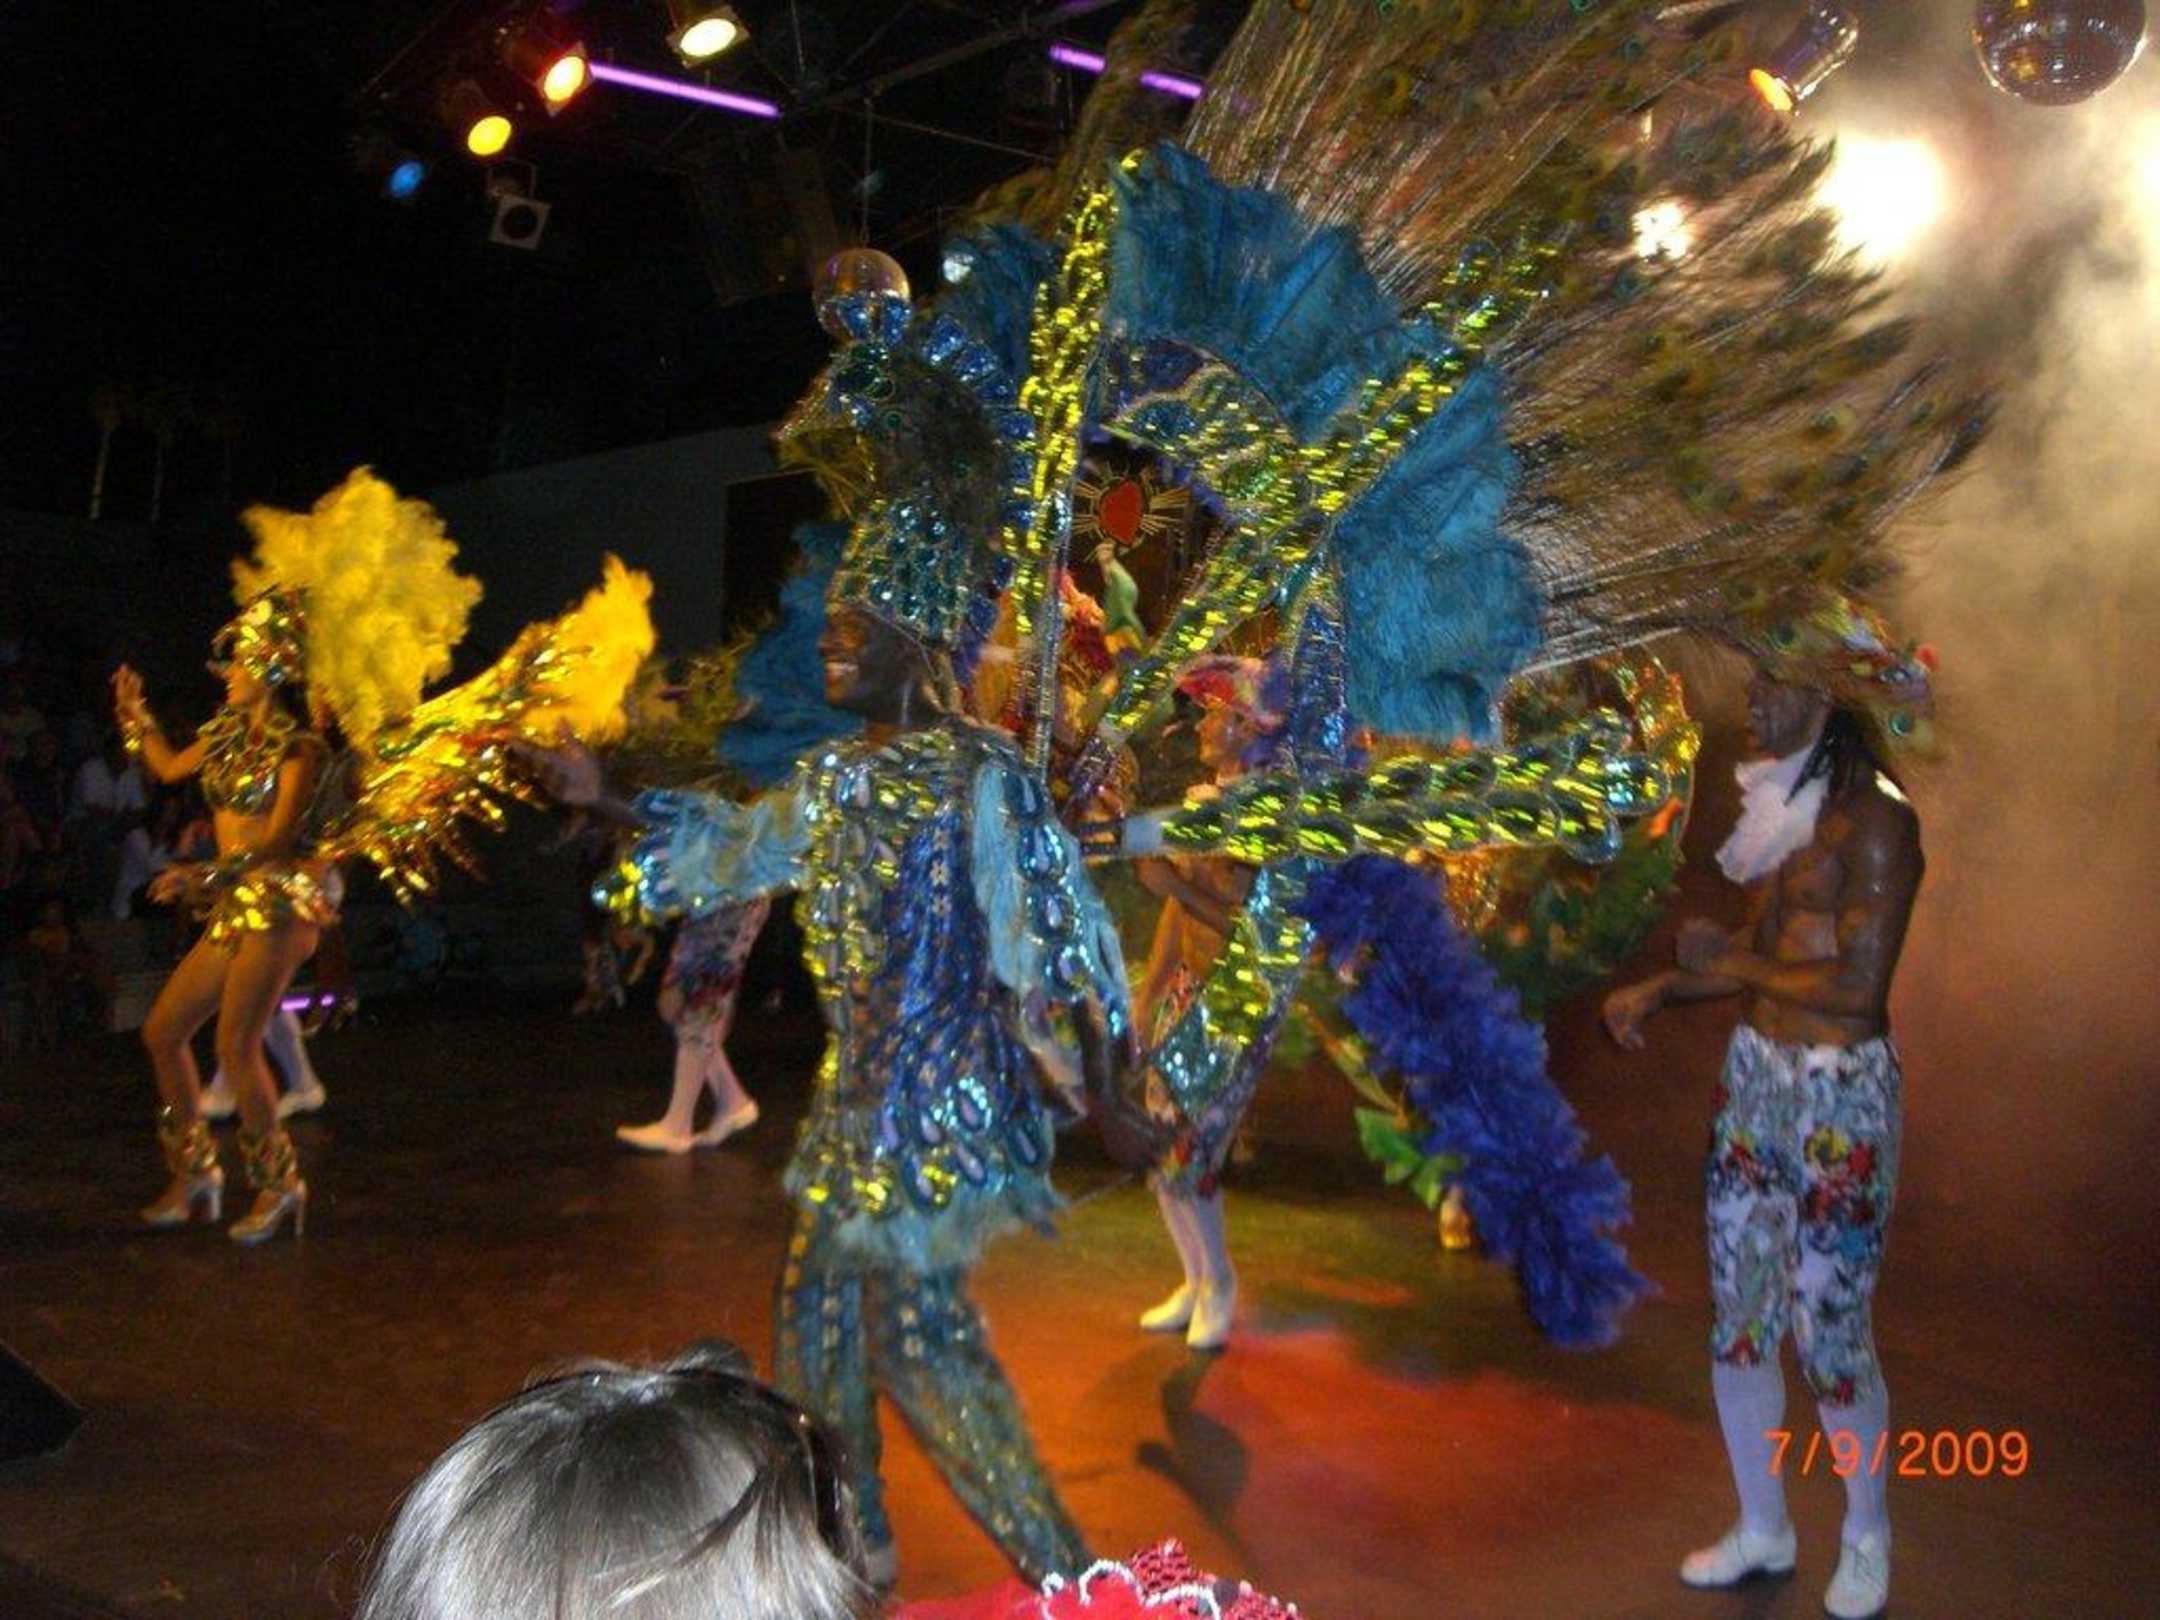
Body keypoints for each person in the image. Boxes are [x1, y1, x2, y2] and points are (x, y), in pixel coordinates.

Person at [538, 595, 1154, 1587]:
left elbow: (1064, 933)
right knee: (814, 1321)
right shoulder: (832, 779)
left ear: (917, 642)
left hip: (937, 1107)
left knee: (917, 1345)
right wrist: (605, 795)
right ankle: (855, 1535)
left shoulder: (980, 773)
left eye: (854, 627)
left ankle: (1077, 1582)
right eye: (829, 625)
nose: (829, 641)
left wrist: (1113, 1092)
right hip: (851, 1109)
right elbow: (733, 848)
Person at [1603, 641, 1928, 1620]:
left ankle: (1866, 1535)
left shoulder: (1879, 820)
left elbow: (1857, 988)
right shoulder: (1783, 799)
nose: (1751, 705)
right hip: (1757, 1083)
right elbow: (1766, 947)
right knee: (1740, 1320)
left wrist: (1730, 968)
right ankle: (1763, 1526)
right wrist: (1668, 986)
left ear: (1824, 692)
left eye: (1770, 686)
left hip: (1839, 1099)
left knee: (1829, 1334)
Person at [355, 1340, 1306, 1620]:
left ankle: (1025, 1542)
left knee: (907, 1369)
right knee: (863, 1354)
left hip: (902, 1155)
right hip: (868, 1157)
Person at [115, 595, 338, 1243]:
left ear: (270, 671)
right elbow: (165, 767)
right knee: (163, 1032)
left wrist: (203, 875)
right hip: (235, 903)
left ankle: (281, 1186)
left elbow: (276, 841)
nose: (228, 674)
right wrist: (135, 716)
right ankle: (196, 1177)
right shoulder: (224, 736)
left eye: (239, 664)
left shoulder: (300, 748)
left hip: (278, 906)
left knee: (236, 1046)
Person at [1130, 662, 1268, 1351]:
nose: (1206, 723)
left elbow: (1258, 933)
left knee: (1193, 1149)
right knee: (1161, 1143)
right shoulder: (1204, 802)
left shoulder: (1267, 815)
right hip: (1186, 992)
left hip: (1236, 1000)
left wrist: (1176, 889)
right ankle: (1194, 1279)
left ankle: (1221, 1282)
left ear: (1250, 727)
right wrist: (1149, 994)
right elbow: (1175, 913)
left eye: (1221, 712)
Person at [616, 899, 769, 1152]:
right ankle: (732, 1101)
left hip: (725, 901)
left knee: (695, 1006)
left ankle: (677, 1127)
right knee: (681, 1008)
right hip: (717, 902)